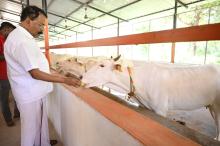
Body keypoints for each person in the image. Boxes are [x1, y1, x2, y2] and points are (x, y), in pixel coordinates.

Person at [4, 6, 81, 146]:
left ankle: (43, 142)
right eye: (40, 25)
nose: (41, 29)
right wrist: (65, 80)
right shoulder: (22, 41)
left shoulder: (21, 37)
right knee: (30, 130)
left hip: (32, 92)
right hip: (29, 93)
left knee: (39, 124)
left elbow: (34, 65)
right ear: (28, 21)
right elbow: (35, 73)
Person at [0, 22, 20, 127]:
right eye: (11, 31)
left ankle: (17, 113)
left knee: (17, 93)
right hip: (2, 76)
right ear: (5, 29)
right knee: (4, 99)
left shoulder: (7, 40)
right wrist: (8, 54)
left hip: (11, 73)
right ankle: (8, 119)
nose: (11, 33)